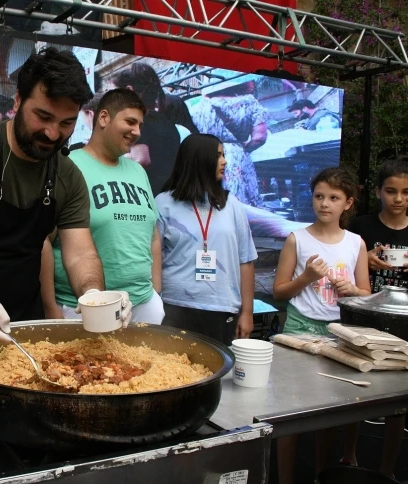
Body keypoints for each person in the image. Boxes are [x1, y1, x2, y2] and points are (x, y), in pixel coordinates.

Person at [0, 48, 132, 401]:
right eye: (42, 116)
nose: (51, 132)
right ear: (17, 100)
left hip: (21, 327)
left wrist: (93, 294)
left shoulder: (68, 176)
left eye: (66, 123)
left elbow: (79, 254)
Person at [272, 166, 371, 484]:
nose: (324, 203)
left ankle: (321, 476)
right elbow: (279, 290)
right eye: (318, 196)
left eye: (333, 197)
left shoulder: (356, 243)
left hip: (338, 331)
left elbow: (366, 293)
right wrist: (307, 278)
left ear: (348, 203)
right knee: (290, 407)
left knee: (329, 413)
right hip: (299, 327)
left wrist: (353, 290)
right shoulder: (297, 239)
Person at [42, 89, 163, 324]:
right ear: (104, 118)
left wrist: (156, 295)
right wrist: (51, 310)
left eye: (140, 125)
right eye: (130, 121)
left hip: (142, 304)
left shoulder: (138, 171)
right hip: (82, 306)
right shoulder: (68, 167)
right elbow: (43, 241)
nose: (137, 131)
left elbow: (154, 237)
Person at [155, 133, 257, 345]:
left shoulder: (232, 204)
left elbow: (246, 261)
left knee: (216, 374)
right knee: (174, 374)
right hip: (175, 306)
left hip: (221, 307)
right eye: (218, 155)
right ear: (200, 159)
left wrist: (247, 312)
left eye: (224, 155)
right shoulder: (163, 203)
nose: (225, 161)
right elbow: (153, 259)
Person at [344, 156, 408, 479]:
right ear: (379, 192)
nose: (399, 199)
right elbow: (345, 268)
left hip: (404, 326)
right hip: (366, 320)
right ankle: (349, 456)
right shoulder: (361, 228)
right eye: (392, 191)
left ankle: (387, 469)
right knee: (359, 390)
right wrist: (364, 260)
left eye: (406, 192)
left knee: (398, 401)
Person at [112, 62, 199, 195]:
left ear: (129, 90)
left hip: (151, 199)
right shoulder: (167, 123)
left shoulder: (138, 122)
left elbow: (142, 159)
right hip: (170, 197)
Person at [190, 74, 268, 207]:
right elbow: (259, 137)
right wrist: (245, 148)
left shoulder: (197, 108)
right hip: (236, 155)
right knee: (242, 203)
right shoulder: (249, 102)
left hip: (206, 157)